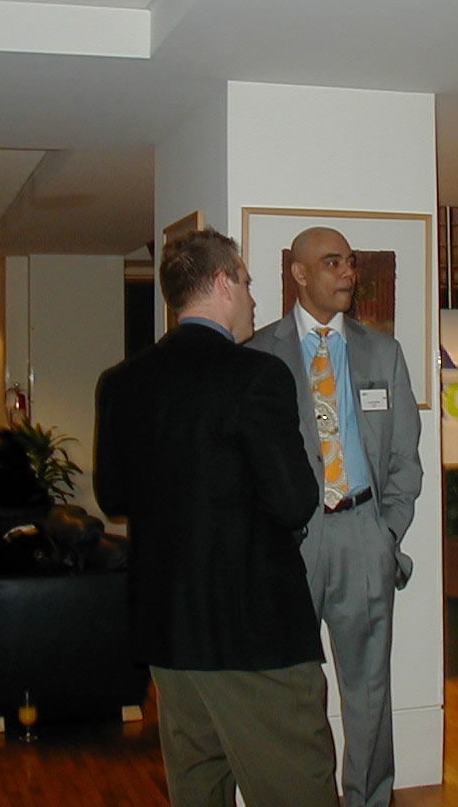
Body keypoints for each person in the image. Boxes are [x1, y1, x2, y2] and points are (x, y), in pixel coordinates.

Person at [93, 228, 337, 807]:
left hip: (169, 633)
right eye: (247, 282)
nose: (253, 298)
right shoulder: (256, 375)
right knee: (296, 789)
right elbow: (294, 499)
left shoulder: (121, 382)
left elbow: (113, 496)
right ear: (224, 283)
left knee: (197, 788)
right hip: (253, 635)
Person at [249, 226, 422, 807]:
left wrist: (386, 531)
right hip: (290, 542)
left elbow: (405, 458)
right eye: (331, 262)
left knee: (368, 689)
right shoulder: (258, 355)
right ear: (299, 274)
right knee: (291, 688)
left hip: (364, 532)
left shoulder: (382, 352)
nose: (347, 272)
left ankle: (369, 798)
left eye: (349, 262)